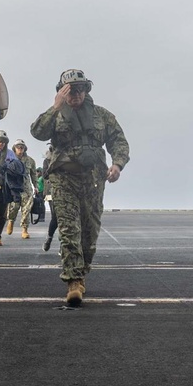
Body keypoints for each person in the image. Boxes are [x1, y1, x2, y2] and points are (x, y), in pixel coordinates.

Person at [31, 69, 129, 306]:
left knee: (89, 231)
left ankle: (82, 271)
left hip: (94, 181)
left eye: (80, 89)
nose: (75, 94)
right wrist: (55, 106)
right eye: (70, 90)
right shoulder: (56, 115)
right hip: (64, 181)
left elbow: (119, 140)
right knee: (69, 230)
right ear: (61, 91)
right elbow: (37, 131)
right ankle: (73, 281)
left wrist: (117, 164)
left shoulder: (101, 115)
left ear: (86, 90)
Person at [5, 139, 38, 239]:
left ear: (24, 149)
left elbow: (33, 174)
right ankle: (10, 221)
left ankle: (25, 230)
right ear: (14, 148)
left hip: (26, 187)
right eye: (18, 147)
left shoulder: (30, 161)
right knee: (14, 206)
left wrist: (35, 186)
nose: (20, 149)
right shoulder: (9, 159)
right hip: (14, 186)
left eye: (22, 147)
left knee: (26, 209)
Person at [42, 145, 59, 252]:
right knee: (55, 217)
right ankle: (49, 238)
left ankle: (64, 246)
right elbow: (45, 175)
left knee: (66, 219)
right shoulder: (47, 160)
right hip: (51, 191)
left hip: (66, 190)